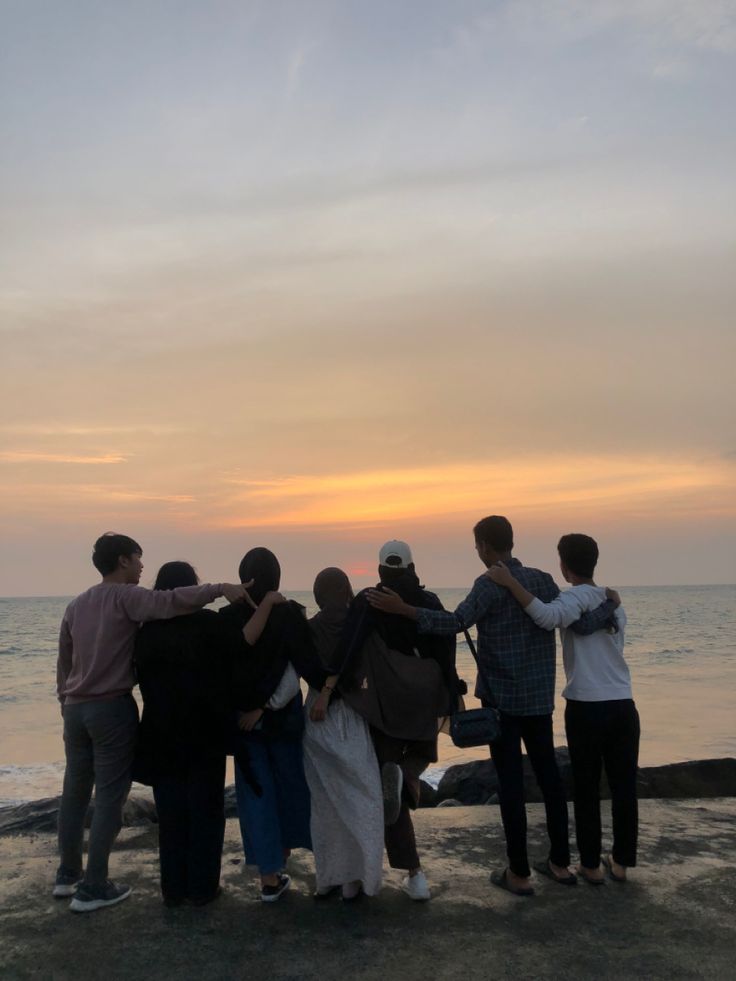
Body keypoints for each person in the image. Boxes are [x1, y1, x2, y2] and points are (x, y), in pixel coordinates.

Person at [367, 517, 616, 898]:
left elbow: (454, 622)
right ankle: (560, 864)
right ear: (511, 542)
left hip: (501, 703)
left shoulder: (488, 585)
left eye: (477, 545)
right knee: (550, 780)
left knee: (511, 784)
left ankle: (518, 873)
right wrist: (611, 604)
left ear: (484, 545)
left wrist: (405, 611)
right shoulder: (544, 581)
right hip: (538, 700)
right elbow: (568, 620)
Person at [54, 532, 251, 912]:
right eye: (138, 559)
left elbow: (65, 658)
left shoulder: (76, 605)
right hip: (109, 708)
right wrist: (220, 588)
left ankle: (67, 876)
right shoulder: (125, 597)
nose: (143, 566)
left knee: (75, 793)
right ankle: (93, 886)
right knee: (111, 797)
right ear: (123, 561)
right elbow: (172, 600)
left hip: (75, 709)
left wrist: (64, 699)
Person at [488, 533, 638, 884]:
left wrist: (510, 582)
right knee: (623, 787)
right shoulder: (614, 602)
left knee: (586, 787)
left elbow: (543, 616)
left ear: (564, 565)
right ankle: (620, 862)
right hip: (624, 704)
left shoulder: (571, 599)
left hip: (587, 705)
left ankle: (590, 865)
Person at [337, 540, 460, 902]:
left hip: (386, 706)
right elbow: (446, 648)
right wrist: (450, 694)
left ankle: (405, 872)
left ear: (380, 569)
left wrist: (335, 687)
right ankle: (409, 773)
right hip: (424, 699)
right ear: (410, 566)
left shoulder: (369, 601)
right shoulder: (431, 603)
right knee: (420, 755)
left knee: (381, 782)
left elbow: (349, 647)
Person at [134, 561, 248, 907]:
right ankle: (202, 888)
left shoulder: (146, 632)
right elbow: (234, 671)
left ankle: (173, 889)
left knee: (170, 815)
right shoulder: (213, 626)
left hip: (160, 730)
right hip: (206, 731)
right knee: (206, 811)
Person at [219, 547, 327, 903]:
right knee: (290, 788)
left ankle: (268, 876)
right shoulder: (291, 614)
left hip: (243, 724)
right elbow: (302, 667)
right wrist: (334, 686)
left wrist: (246, 709)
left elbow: (224, 673)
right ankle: (282, 857)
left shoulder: (226, 617)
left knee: (256, 796)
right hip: (283, 720)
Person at [302, 568, 384, 901]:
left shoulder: (309, 629)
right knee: (362, 798)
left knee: (324, 803)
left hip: (315, 719)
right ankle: (358, 878)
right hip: (350, 715)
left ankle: (328, 877)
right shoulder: (359, 626)